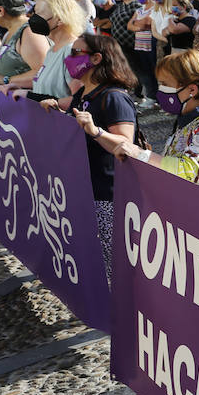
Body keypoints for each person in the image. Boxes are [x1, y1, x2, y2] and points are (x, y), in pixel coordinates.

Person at [87, 50, 199, 201]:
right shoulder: (191, 118)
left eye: (164, 83)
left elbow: (187, 172)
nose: (160, 89)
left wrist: (140, 154)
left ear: (192, 89)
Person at [59, 34, 139, 277]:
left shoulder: (114, 97)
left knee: (114, 264)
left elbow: (126, 144)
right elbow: (67, 107)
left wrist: (96, 131)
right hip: (87, 189)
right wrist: (49, 104)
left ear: (96, 58)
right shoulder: (84, 93)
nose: (69, 58)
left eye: (76, 53)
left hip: (108, 195)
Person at [0, 0, 83, 101]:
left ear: (60, 19)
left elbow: (79, 100)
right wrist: (25, 90)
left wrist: (30, 96)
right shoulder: (52, 50)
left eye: (39, 13)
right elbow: (49, 91)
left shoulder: (74, 52)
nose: (33, 18)